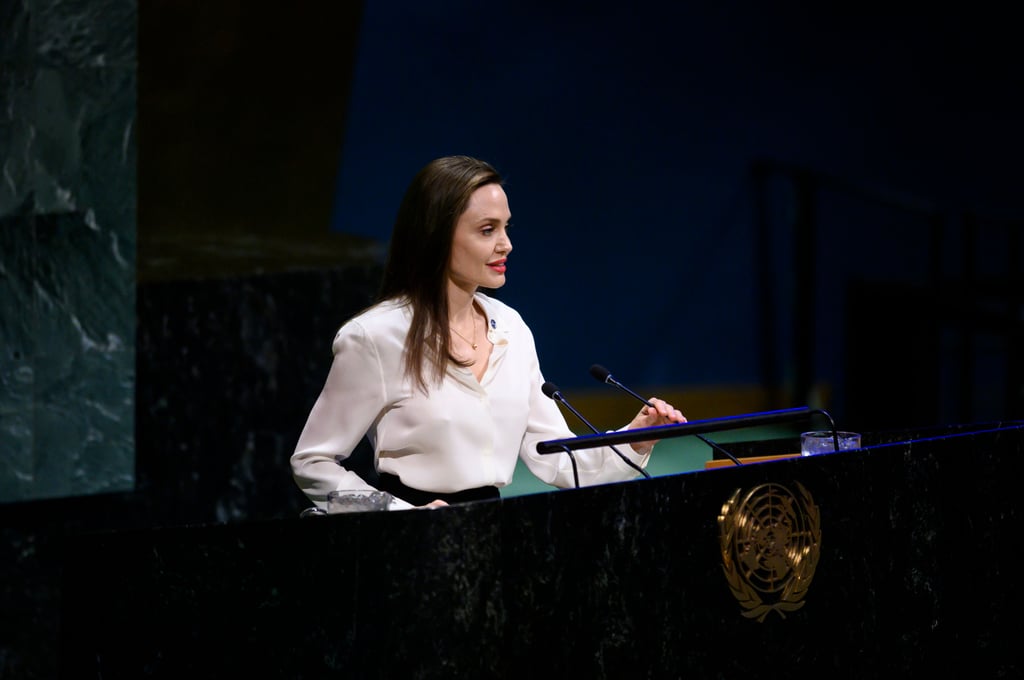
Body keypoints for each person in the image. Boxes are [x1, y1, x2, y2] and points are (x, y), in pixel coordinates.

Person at [291, 155, 686, 511]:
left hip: (493, 538)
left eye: (506, 228)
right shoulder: (375, 337)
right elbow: (313, 463)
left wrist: (634, 439)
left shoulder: (512, 329)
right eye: (486, 230)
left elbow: (555, 457)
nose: (507, 244)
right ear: (437, 235)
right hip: (407, 546)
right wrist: (398, 516)